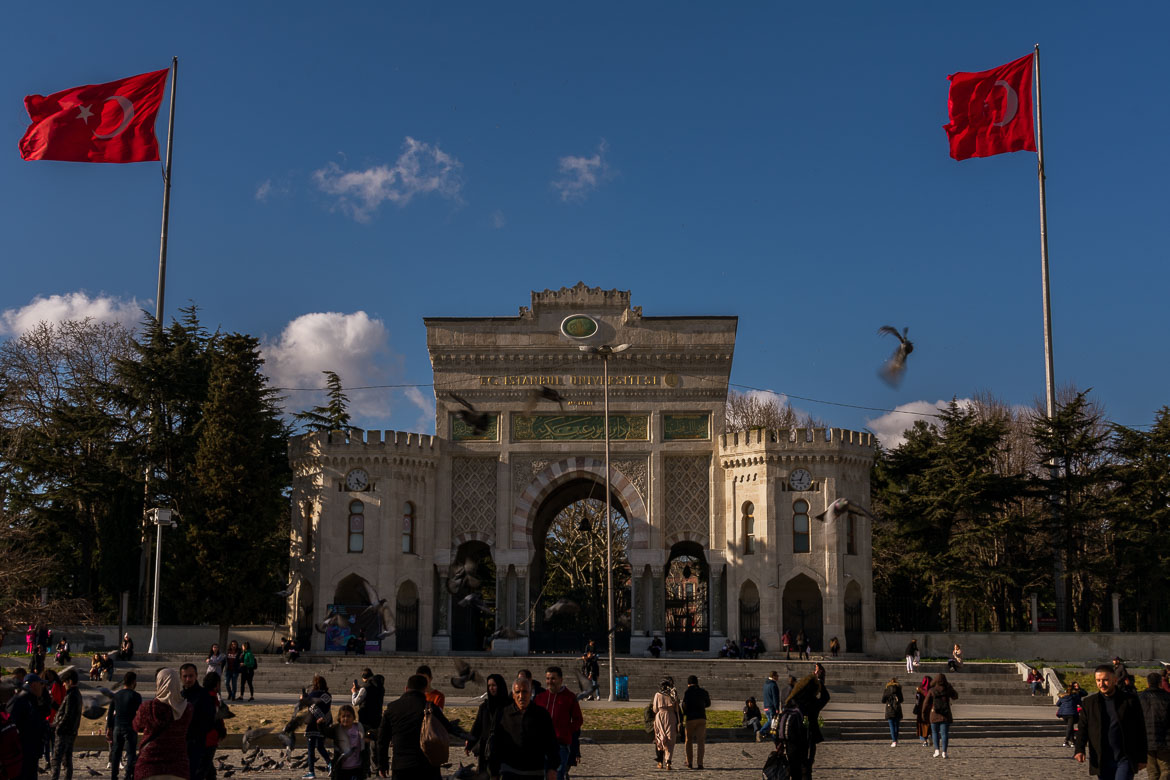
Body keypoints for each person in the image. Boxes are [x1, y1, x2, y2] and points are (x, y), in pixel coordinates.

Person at [1075, 664, 1147, 778]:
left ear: (1115, 680)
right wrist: (1079, 749)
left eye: (1105, 680)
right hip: (1102, 757)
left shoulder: (1129, 700)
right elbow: (1083, 728)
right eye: (1098, 680)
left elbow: (1140, 729)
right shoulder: (1089, 703)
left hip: (1125, 757)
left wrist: (1142, 757)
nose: (1101, 684)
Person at [377, 673, 453, 780]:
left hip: (401, 765)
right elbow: (448, 728)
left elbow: (382, 739)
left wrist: (382, 764)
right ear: (425, 689)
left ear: (406, 688)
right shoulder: (430, 707)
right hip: (427, 765)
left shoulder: (392, 707)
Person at [490, 677, 558, 780]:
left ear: (530, 693)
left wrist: (552, 768)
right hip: (509, 770)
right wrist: (494, 772)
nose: (521, 696)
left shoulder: (542, 714)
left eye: (525, 692)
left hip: (534, 771)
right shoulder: (502, 714)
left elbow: (551, 743)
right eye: (518, 692)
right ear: (513, 695)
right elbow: (495, 744)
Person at [133, 668, 193, 780]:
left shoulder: (147, 707)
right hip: (178, 766)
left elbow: (136, 726)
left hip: (149, 765)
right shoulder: (187, 708)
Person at [534, 666, 583, 780]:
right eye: (547, 678)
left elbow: (578, 720)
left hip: (559, 746)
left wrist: (566, 731)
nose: (550, 682)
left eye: (553, 679)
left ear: (561, 680)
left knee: (557, 776)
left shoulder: (569, 697)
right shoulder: (540, 698)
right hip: (541, 745)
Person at [466, 673, 509, 780]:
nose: (491, 688)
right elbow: (477, 727)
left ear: (500, 686)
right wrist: (469, 744)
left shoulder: (509, 706)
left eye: (494, 685)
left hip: (503, 748)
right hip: (486, 748)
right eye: (489, 686)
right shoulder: (484, 707)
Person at [9, 672, 49, 780]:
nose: (43, 688)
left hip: (30, 752)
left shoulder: (31, 701)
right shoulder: (22, 701)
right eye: (41, 684)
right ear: (34, 685)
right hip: (24, 753)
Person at [179, 663, 214, 780]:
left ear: (196, 676)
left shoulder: (204, 695)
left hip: (197, 744)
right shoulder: (180, 696)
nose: (188, 679)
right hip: (181, 745)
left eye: (190, 676)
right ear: (181, 678)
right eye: (185, 676)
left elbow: (209, 720)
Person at [107, 672, 142, 780]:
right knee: (130, 753)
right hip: (130, 727)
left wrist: (109, 728)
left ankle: (114, 776)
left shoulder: (116, 695)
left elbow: (110, 712)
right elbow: (140, 713)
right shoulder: (136, 696)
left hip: (117, 727)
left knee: (116, 753)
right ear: (134, 682)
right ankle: (128, 775)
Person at [1140, 672, 1170, 778]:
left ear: (1148, 683)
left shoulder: (1140, 697)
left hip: (1147, 740)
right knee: (1166, 769)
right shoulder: (1167, 697)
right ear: (1160, 683)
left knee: (1152, 771)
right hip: (1165, 740)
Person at [303, 675, 333, 780]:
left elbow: (306, 703)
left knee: (311, 749)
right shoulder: (328, 695)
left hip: (312, 724)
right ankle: (330, 764)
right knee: (320, 746)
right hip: (323, 724)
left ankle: (311, 771)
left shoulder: (312, 694)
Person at [197, 673, 226, 780]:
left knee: (208, 769)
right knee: (203, 769)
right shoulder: (212, 698)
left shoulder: (200, 695)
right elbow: (217, 718)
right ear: (217, 684)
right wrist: (221, 732)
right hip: (210, 738)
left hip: (201, 738)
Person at [681, 675, 710, 770]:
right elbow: (708, 703)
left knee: (688, 740)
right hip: (701, 717)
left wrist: (685, 713)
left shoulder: (688, 692)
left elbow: (684, 705)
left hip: (690, 718)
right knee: (700, 741)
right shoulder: (703, 691)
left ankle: (689, 762)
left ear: (688, 683)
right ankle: (700, 763)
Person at [926, 673, 958, 759]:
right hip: (945, 714)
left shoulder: (932, 690)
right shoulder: (947, 689)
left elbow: (926, 703)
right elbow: (955, 696)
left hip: (934, 714)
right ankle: (944, 752)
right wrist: (950, 687)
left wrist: (923, 713)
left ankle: (936, 750)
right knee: (944, 734)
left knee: (935, 733)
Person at [651, 677, 679, 770]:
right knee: (670, 740)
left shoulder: (657, 695)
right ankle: (668, 762)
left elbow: (655, 709)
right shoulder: (673, 695)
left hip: (660, 717)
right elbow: (677, 708)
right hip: (671, 717)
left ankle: (660, 762)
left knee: (660, 737)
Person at [332, 704, 367, 780]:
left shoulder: (359, 727)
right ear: (339, 718)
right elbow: (325, 731)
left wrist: (369, 735)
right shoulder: (337, 729)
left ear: (353, 717)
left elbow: (372, 732)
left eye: (348, 716)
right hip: (341, 769)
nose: (346, 718)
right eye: (343, 716)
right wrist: (320, 724)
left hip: (357, 768)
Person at [353, 670, 385, 737]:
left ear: (364, 677)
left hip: (365, 717)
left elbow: (355, 702)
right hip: (377, 716)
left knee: (364, 738)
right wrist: (361, 689)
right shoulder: (380, 687)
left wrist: (354, 692)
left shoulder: (365, 688)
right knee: (375, 738)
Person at [1058, 681, 1087, 748]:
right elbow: (1080, 703)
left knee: (1070, 727)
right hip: (1071, 712)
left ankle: (1073, 741)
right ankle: (1066, 741)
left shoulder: (1063, 696)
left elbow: (1057, 704)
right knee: (1070, 727)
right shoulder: (1075, 695)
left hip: (1063, 714)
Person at [882, 677, 903, 747]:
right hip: (897, 709)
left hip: (890, 708)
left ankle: (894, 741)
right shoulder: (899, 689)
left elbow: (883, 700)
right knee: (896, 726)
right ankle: (896, 740)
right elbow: (902, 699)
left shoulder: (887, 689)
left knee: (891, 726)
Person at [914, 675, 933, 747]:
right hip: (930, 710)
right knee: (929, 724)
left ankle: (925, 741)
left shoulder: (920, 690)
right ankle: (930, 735)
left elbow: (917, 700)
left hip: (921, 710)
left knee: (922, 725)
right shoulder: (932, 690)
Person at [761, 672, 781, 740]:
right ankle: (762, 731)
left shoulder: (765, 684)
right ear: (773, 676)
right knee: (772, 722)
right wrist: (777, 708)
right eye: (777, 676)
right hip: (771, 707)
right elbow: (775, 698)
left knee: (771, 722)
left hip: (766, 706)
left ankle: (772, 736)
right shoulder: (773, 685)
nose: (778, 677)